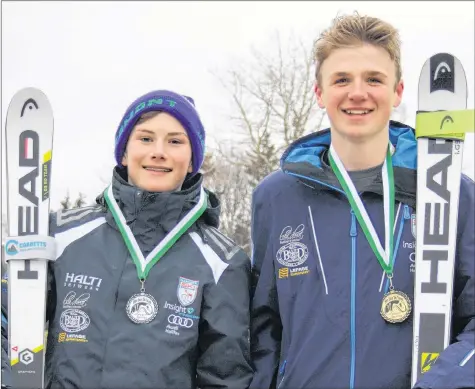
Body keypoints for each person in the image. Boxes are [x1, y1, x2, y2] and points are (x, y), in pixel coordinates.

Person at [249, 13, 474, 389]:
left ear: (398, 91)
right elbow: (262, 329)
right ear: (319, 93)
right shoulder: (276, 197)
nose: (357, 93)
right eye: (341, 80)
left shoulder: (450, 191)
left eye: (374, 79)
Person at [1, 90, 253, 389]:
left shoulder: (223, 262)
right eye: (145, 138)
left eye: (175, 141)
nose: (158, 151)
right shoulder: (62, 234)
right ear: (123, 151)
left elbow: (226, 377)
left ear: (192, 159)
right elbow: (9, 323)